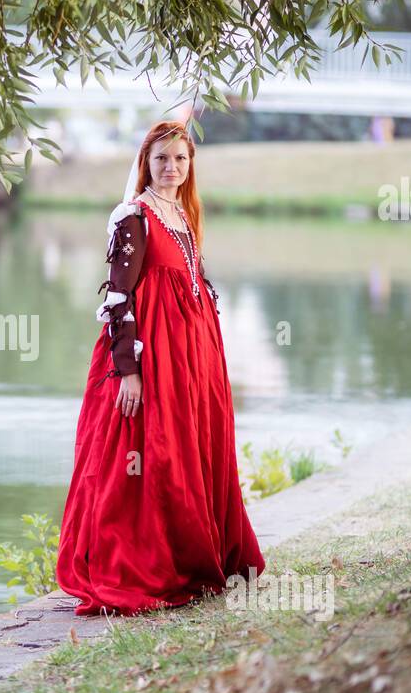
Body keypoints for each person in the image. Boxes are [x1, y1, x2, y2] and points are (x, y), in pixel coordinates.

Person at [56, 120, 267, 616]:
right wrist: (128, 370)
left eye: (180, 159)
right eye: (161, 160)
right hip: (152, 360)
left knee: (191, 447)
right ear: (145, 164)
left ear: (190, 166)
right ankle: (147, 562)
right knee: (149, 455)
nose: (171, 168)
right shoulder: (134, 217)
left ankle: (198, 550)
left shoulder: (183, 215)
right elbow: (118, 298)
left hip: (192, 358)